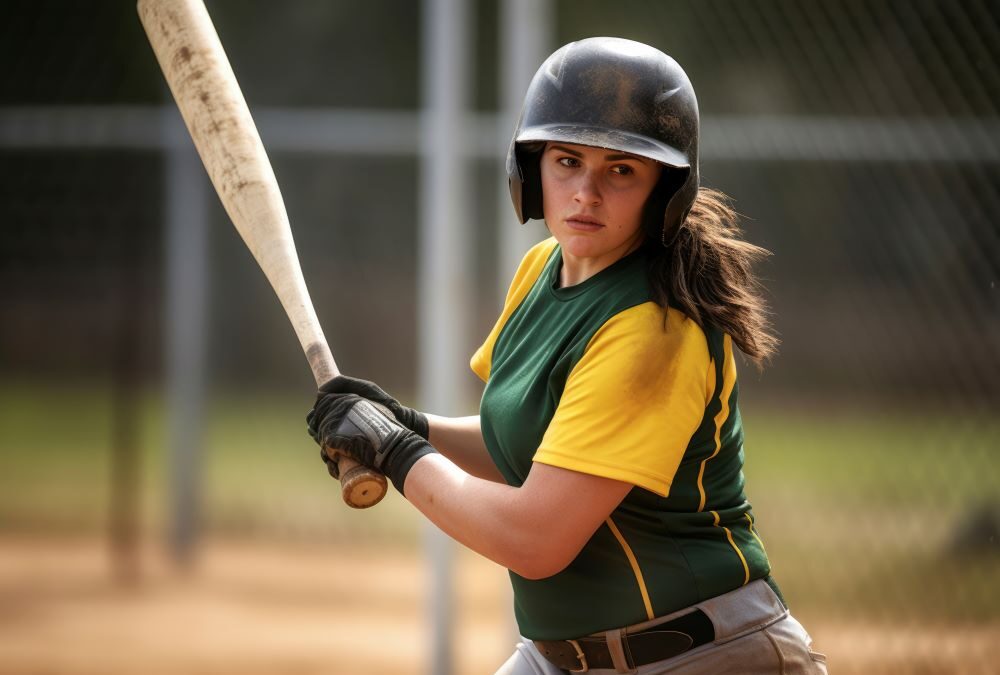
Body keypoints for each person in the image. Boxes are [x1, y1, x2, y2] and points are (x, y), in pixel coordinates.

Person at [307, 37, 827, 674]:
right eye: (567, 160)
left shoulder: (653, 328)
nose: (586, 192)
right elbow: (533, 451)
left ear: (664, 191)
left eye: (621, 170)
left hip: (700, 656)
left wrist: (397, 452)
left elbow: (536, 539)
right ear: (531, 170)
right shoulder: (542, 269)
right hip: (564, 658)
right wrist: (409, 425)